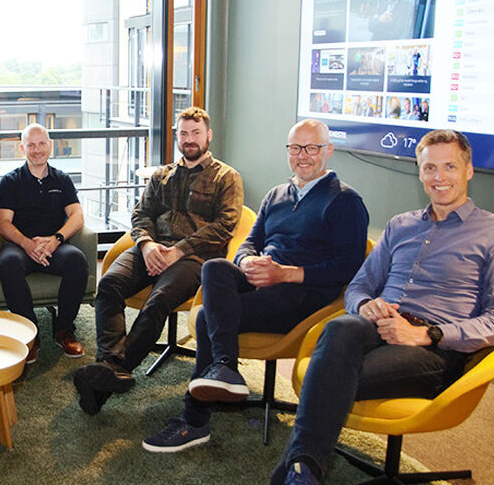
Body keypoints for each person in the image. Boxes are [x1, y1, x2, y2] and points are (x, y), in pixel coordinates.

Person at [195, 130, 494, 485]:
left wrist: (428, 335)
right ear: (420, 172)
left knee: (325, 386)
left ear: (468, 170)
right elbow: (359, 285)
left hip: (432, 348)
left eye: (449, 166)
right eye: (429, 167)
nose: (439, 177)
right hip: (376, 327)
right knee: (342, 329)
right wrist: (369, 305)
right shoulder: (402, 226)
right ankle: (303, 483)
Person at [142, 120, 368, 452]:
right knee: (217, 267)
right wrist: (247, 263)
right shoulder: (277, 194)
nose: (302, 156)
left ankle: (195, 420)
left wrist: (286, 274)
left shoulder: (345, 201)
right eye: (295, 148)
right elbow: (248, 244)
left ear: (328, 151)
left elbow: (348, 266)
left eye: (311, 148)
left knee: (206, 319)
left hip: (302, 297)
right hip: (262, 282)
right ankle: (227, 368)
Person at [74, 106, 244, 415]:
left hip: (194, 258)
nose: (189, 140)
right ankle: (111, 364)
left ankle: (111, 371)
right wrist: (147, 244)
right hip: (151, 250)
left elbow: (225, 226)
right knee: (109, 283)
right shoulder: (161, 174)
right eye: (183, 133)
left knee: (158, 299)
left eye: (195, 133)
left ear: (208, 136)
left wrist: (178, 250)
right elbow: (141, 214)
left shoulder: (226, 177)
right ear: (177, 137)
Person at [0, 123, 87, 362]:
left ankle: (64, 329)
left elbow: (77, 216)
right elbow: (3, 222)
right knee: (9, 262)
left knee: (77, 259)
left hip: (53, 244)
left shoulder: (62, 180)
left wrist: (56, 240)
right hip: (20, 245)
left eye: (41, 144)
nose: (37, 150)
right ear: (22, 147)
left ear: (50, 146)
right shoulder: (11, 181)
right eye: (31, 145)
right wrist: (27, 244)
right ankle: (30, 333)